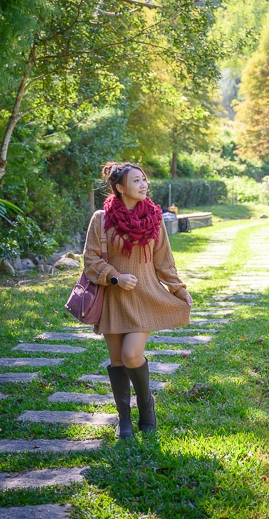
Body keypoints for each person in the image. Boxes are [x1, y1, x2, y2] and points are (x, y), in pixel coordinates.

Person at [83, 162, 192, 438]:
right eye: (136, 181)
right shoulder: (102, 219)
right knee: (117, 360)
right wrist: (115, 277)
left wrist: (178, 289)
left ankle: (146, 406)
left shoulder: (155, 218)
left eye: (144, 180)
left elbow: (164, 261)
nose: (143, 185)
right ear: (120, 188)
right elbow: (90, 260)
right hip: (114, 299)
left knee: (131, 354)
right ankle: (125, 419)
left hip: (146, 297)